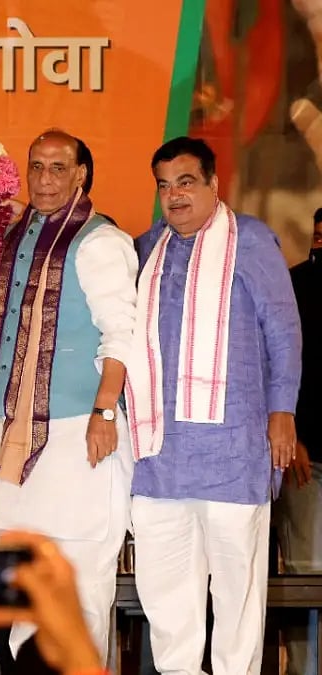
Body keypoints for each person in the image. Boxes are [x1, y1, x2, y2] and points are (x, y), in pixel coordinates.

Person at [0, 129, 138, 662]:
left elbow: (122, 333)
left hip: (78, 434)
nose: (45, 179)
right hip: (11, 439)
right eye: (36, 167)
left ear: (82, 174)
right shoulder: (18, 236)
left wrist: (106, 409)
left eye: (58, 168)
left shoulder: (101, 241)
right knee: (20, 597)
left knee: (80, 594)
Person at [125, 136, 301, 675]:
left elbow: (284, 330)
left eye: (185, 181)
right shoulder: (143, 249)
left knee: (236, 591)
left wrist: (282, 412)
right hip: (159, 456)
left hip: (234, 449)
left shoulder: (249, 240)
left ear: (212, 184)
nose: (173, 195)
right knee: (164, 590)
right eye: (163, 185)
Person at [276, 206, 322, 675]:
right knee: (306, 574)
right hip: (306, 455)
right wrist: (293, 435)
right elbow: (279, 366)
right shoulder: (292, 287)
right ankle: (303, 671)